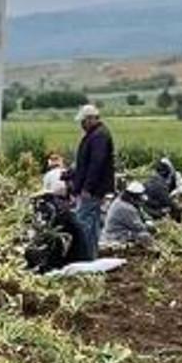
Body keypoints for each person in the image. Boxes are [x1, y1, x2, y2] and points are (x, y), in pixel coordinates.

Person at [70, 104, 115, 261]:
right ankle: (91, 255)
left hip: (94, 188)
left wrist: (87, 187)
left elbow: (96, 164)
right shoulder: (95, 134)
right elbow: (86, 163)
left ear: (90, 119)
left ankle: (85, 257)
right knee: (93, 222)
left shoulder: (99, 136)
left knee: (83, 222)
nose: (81, 124)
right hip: (96, 188)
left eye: (83, 121)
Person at [25, 187, 90, 273]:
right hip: (77, 256)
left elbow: (57, 244)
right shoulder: (59, 208)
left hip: (71, 261)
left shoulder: (53, 211)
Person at [101, 182, 154, 248]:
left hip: (119, 232)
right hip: (115, 236)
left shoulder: (121, 200)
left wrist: (147, 218)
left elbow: (143, 214)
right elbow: (139, 227)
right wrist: (149, 226)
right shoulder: (126, 208)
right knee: (144, 236)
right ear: (133, 198)